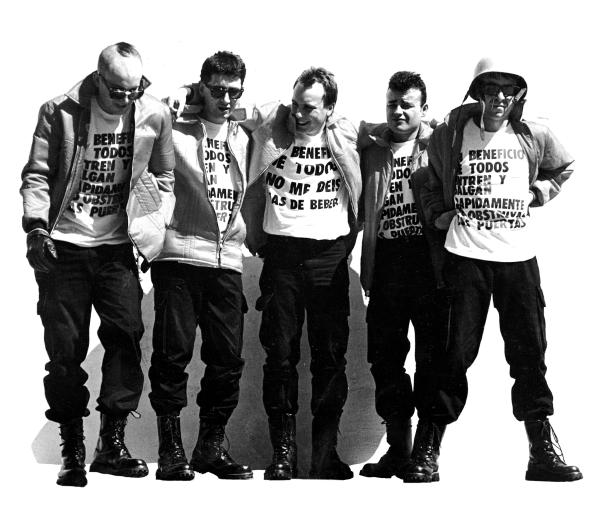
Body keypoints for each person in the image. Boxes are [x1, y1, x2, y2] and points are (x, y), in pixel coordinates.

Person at [167, 66, 361, 479]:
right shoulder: (273, 119)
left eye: (309, 108)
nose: (299, 114)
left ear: (330, 108)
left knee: (330, 358)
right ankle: (283, 454)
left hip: (329, 256)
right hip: (282, 255)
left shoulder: (346, 132)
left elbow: (396, 132)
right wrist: (187, 89)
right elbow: (225, 103)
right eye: (296, 104)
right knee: (280, 357)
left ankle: (325, 453)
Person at [406, 56, 582, 483]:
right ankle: (427, 448)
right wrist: (438, 214)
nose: (499, 97)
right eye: (490, 89)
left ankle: (542, 451)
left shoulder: (532, 133)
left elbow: (563, 167)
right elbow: (425, 178)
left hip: (517, 257)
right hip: (465, 256)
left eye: (508, 90)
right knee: (452, 355)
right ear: (477, 92)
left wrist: (538, 193)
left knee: (529, 354)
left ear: (519, 95)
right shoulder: (451, 133)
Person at [21, 42, 175, 487]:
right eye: (116, 90)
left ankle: (112, 444)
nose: (125, 99)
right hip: (65, 247)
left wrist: (150, 228)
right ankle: (72, 448)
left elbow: (165, 177)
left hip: (116, 248)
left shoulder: (154, 114)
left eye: (133, 90)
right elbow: (37, 174)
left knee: (126, 337)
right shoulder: (59, 112)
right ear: (97, 79)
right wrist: (36, 227)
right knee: (65, 351)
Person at [148, 51, 252, 481]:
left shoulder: (246, 132)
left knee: (227, 360)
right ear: (202, 87)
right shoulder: (176, 125)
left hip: (227, 259)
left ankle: (210, 447)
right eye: (216, 90)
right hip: (180, 255)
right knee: (172, 356)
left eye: (234, 92)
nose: (225, 100)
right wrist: (184, 91)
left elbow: (288, 111)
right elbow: (144, 110)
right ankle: (170, 450)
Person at [357, 71, 446, 479]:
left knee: (433, 358)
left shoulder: (440, 142)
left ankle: (427, 452)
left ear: (423, 109)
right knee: (385, 357)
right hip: (387, 259)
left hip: (429, 261)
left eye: (407, 104)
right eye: (392, 103)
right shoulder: (373, 147)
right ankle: (399, 447)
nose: (398, 111)